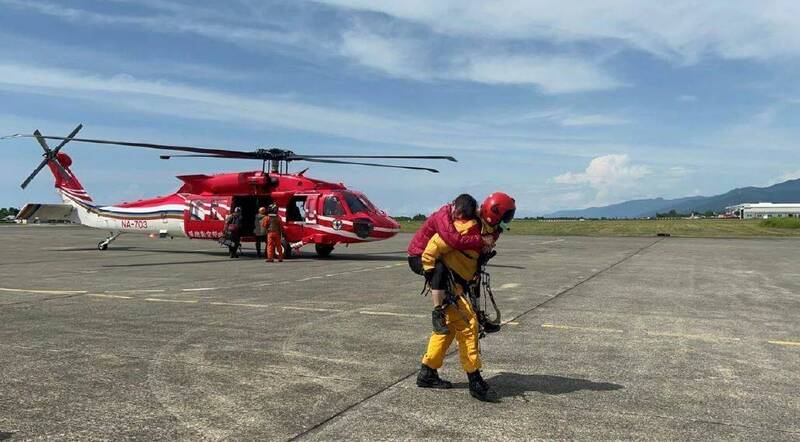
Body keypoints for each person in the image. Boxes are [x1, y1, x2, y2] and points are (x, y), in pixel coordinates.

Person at [416, 192, 516, 402]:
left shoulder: (486, 230)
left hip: (461, 284)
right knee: (468, 326)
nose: (508, 221)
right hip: (449, 285)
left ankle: (427, 372)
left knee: (450, 329)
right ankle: (475, 380)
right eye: (507, 216)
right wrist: (433, 275)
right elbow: (433, 247)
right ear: (493, 214)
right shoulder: (468, 227)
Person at [408, 195, 497, 334]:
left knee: (474, 276)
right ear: (454, 204)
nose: (460, 216)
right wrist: (481, 240)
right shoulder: (443, 216)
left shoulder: (464, 215)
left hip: (437, 254)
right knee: (440, 270)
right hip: (419, 256)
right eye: (459, 212)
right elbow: (454, 240)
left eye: (464, 215)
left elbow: (482, 220)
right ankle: (437, 314)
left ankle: (478, 315)